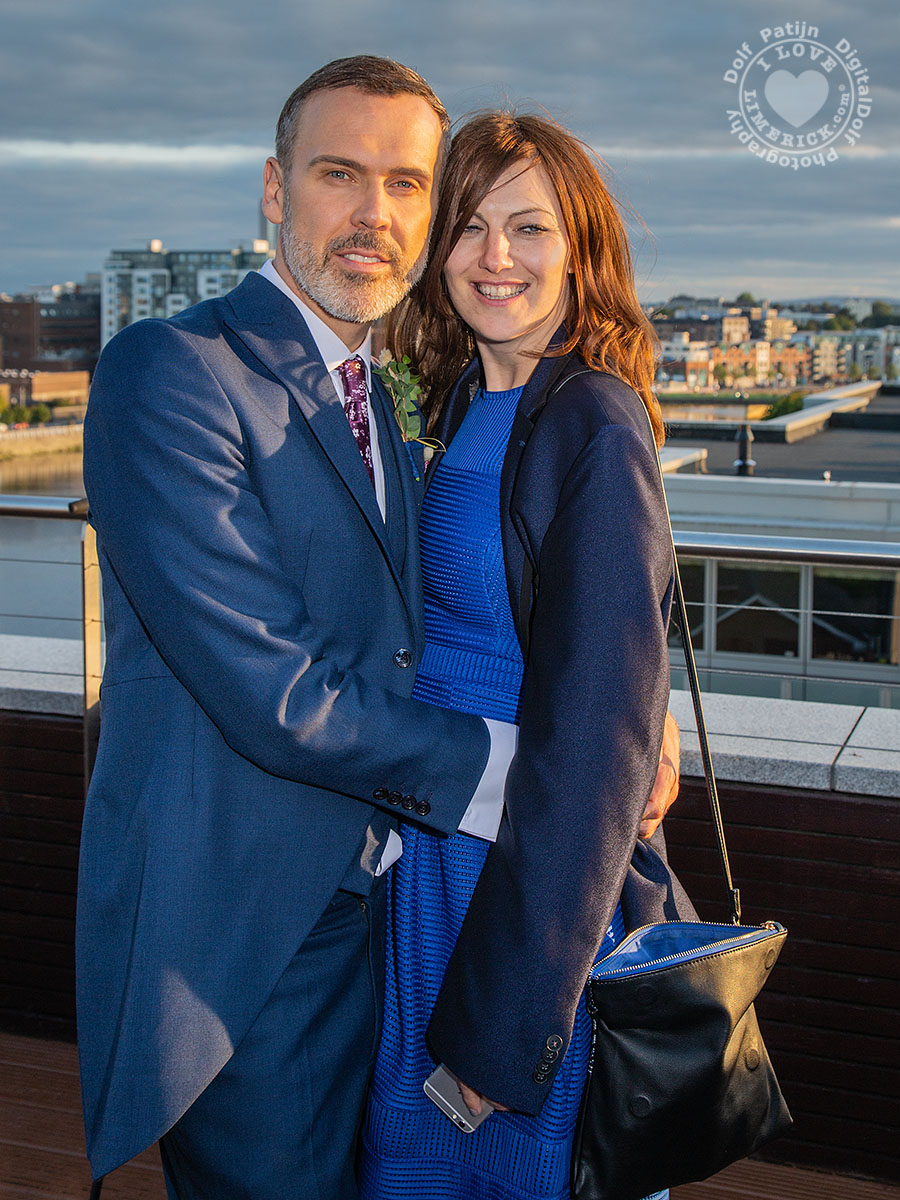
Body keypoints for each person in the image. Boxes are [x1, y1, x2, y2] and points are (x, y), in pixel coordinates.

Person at [78, 57, 680, 1199]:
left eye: (406, 184)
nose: (374, 213)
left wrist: (628, 721)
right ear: (274, 188)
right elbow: (277, 689)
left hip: (440, 894)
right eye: (339, 174)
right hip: (259, 930)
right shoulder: (178, 371)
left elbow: (568, 615)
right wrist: (545, 767)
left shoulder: (459, 407)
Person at [359, 111, 696, 1200]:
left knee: (507, 1167)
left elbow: (596, 734)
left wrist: (508, 1026)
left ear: (580, 247)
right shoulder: (468, 398)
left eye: (530, 226)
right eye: (468, 225)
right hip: (439, 846)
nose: (494, 255)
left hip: (523, 882)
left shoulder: (592, 420)